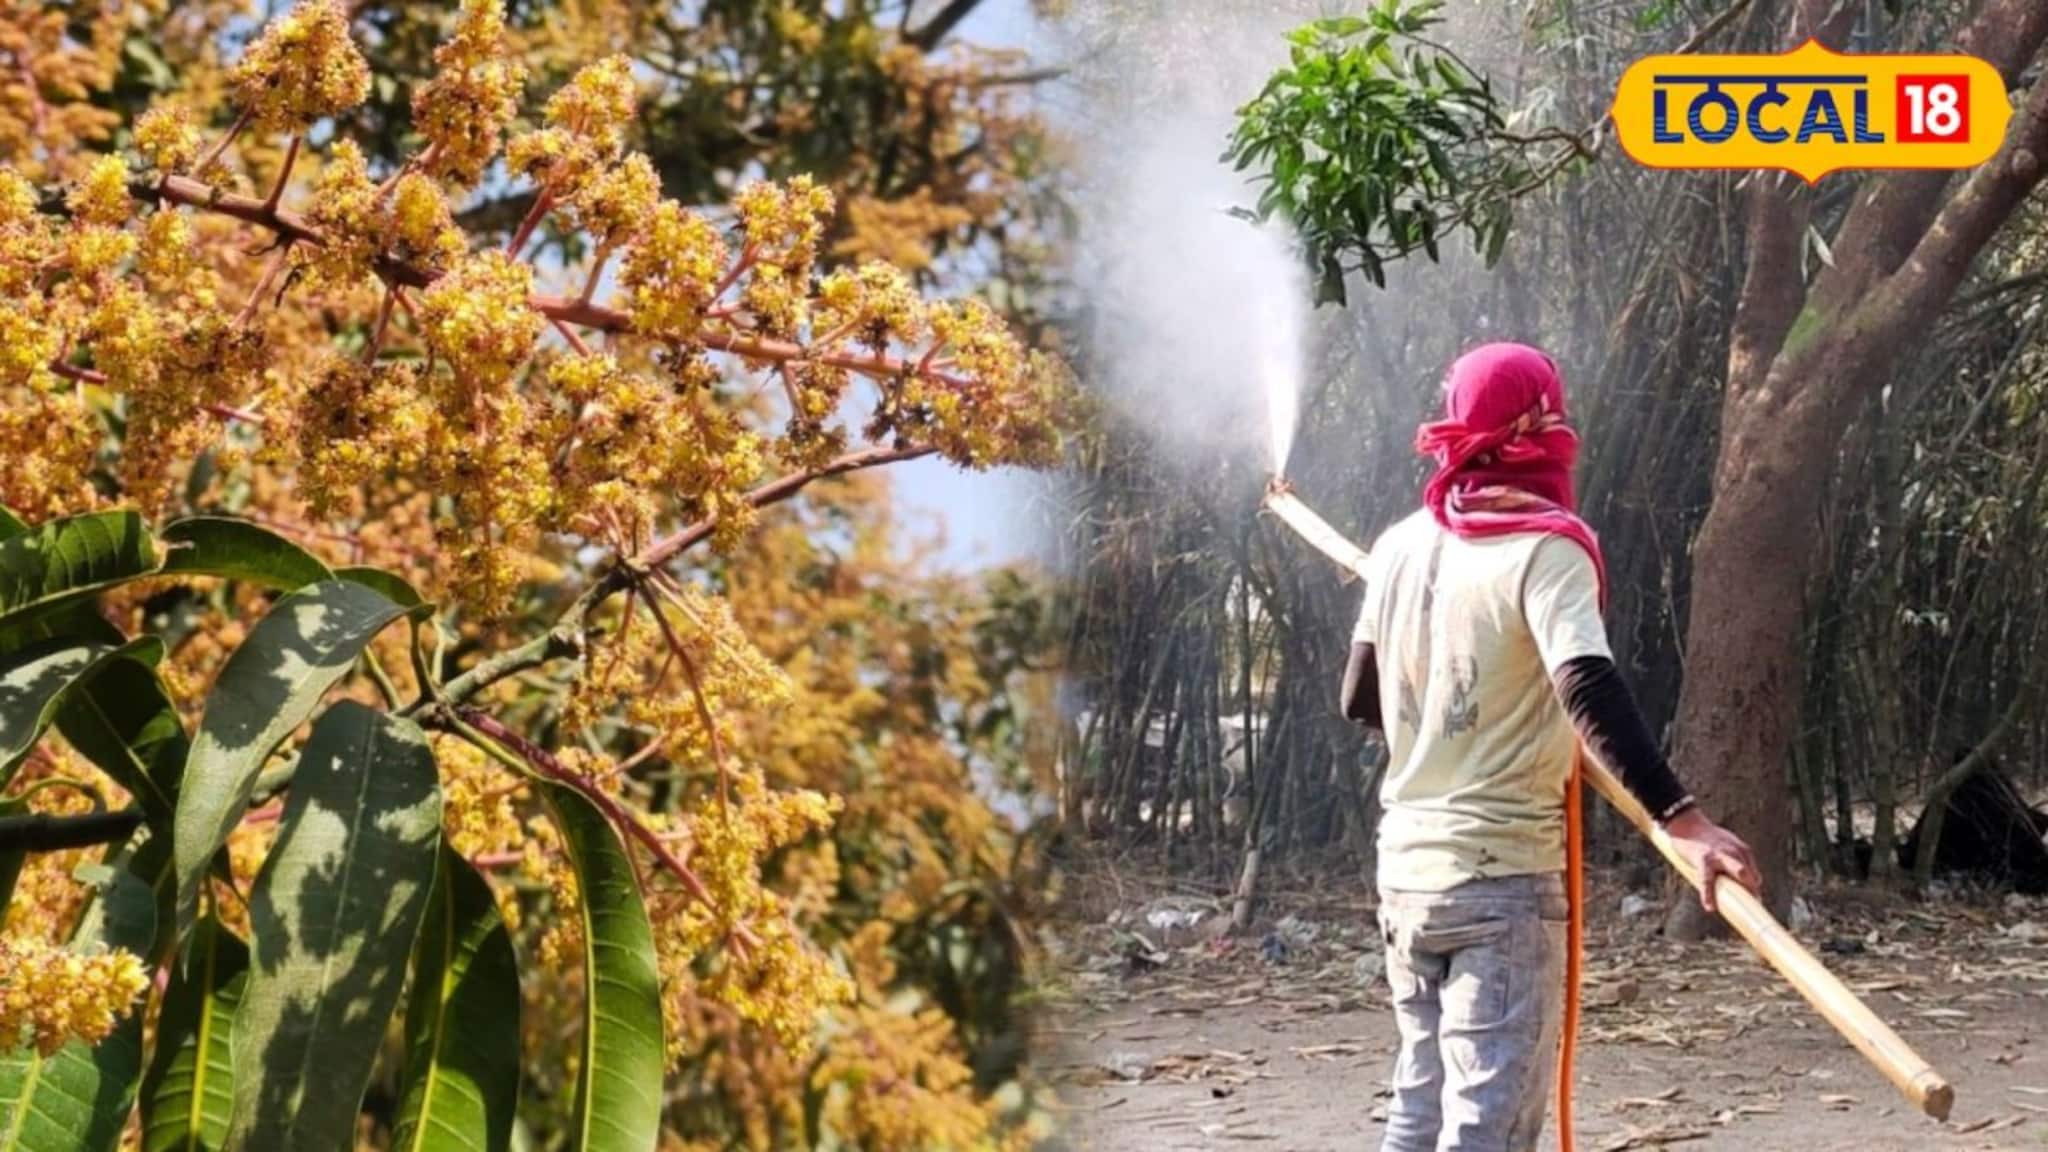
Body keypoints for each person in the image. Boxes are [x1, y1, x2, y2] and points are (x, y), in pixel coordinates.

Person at [1339, 342, 1761, 1152]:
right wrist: (1684, 818)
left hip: (1407, 877)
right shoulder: (1545, 545)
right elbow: (1589, 687)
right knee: (1485, 1126)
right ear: (1537, 427)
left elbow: (1360, 700)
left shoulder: (1397, 547)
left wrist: (1451, 719)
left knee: (1418, 1104)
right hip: (1499, 882)